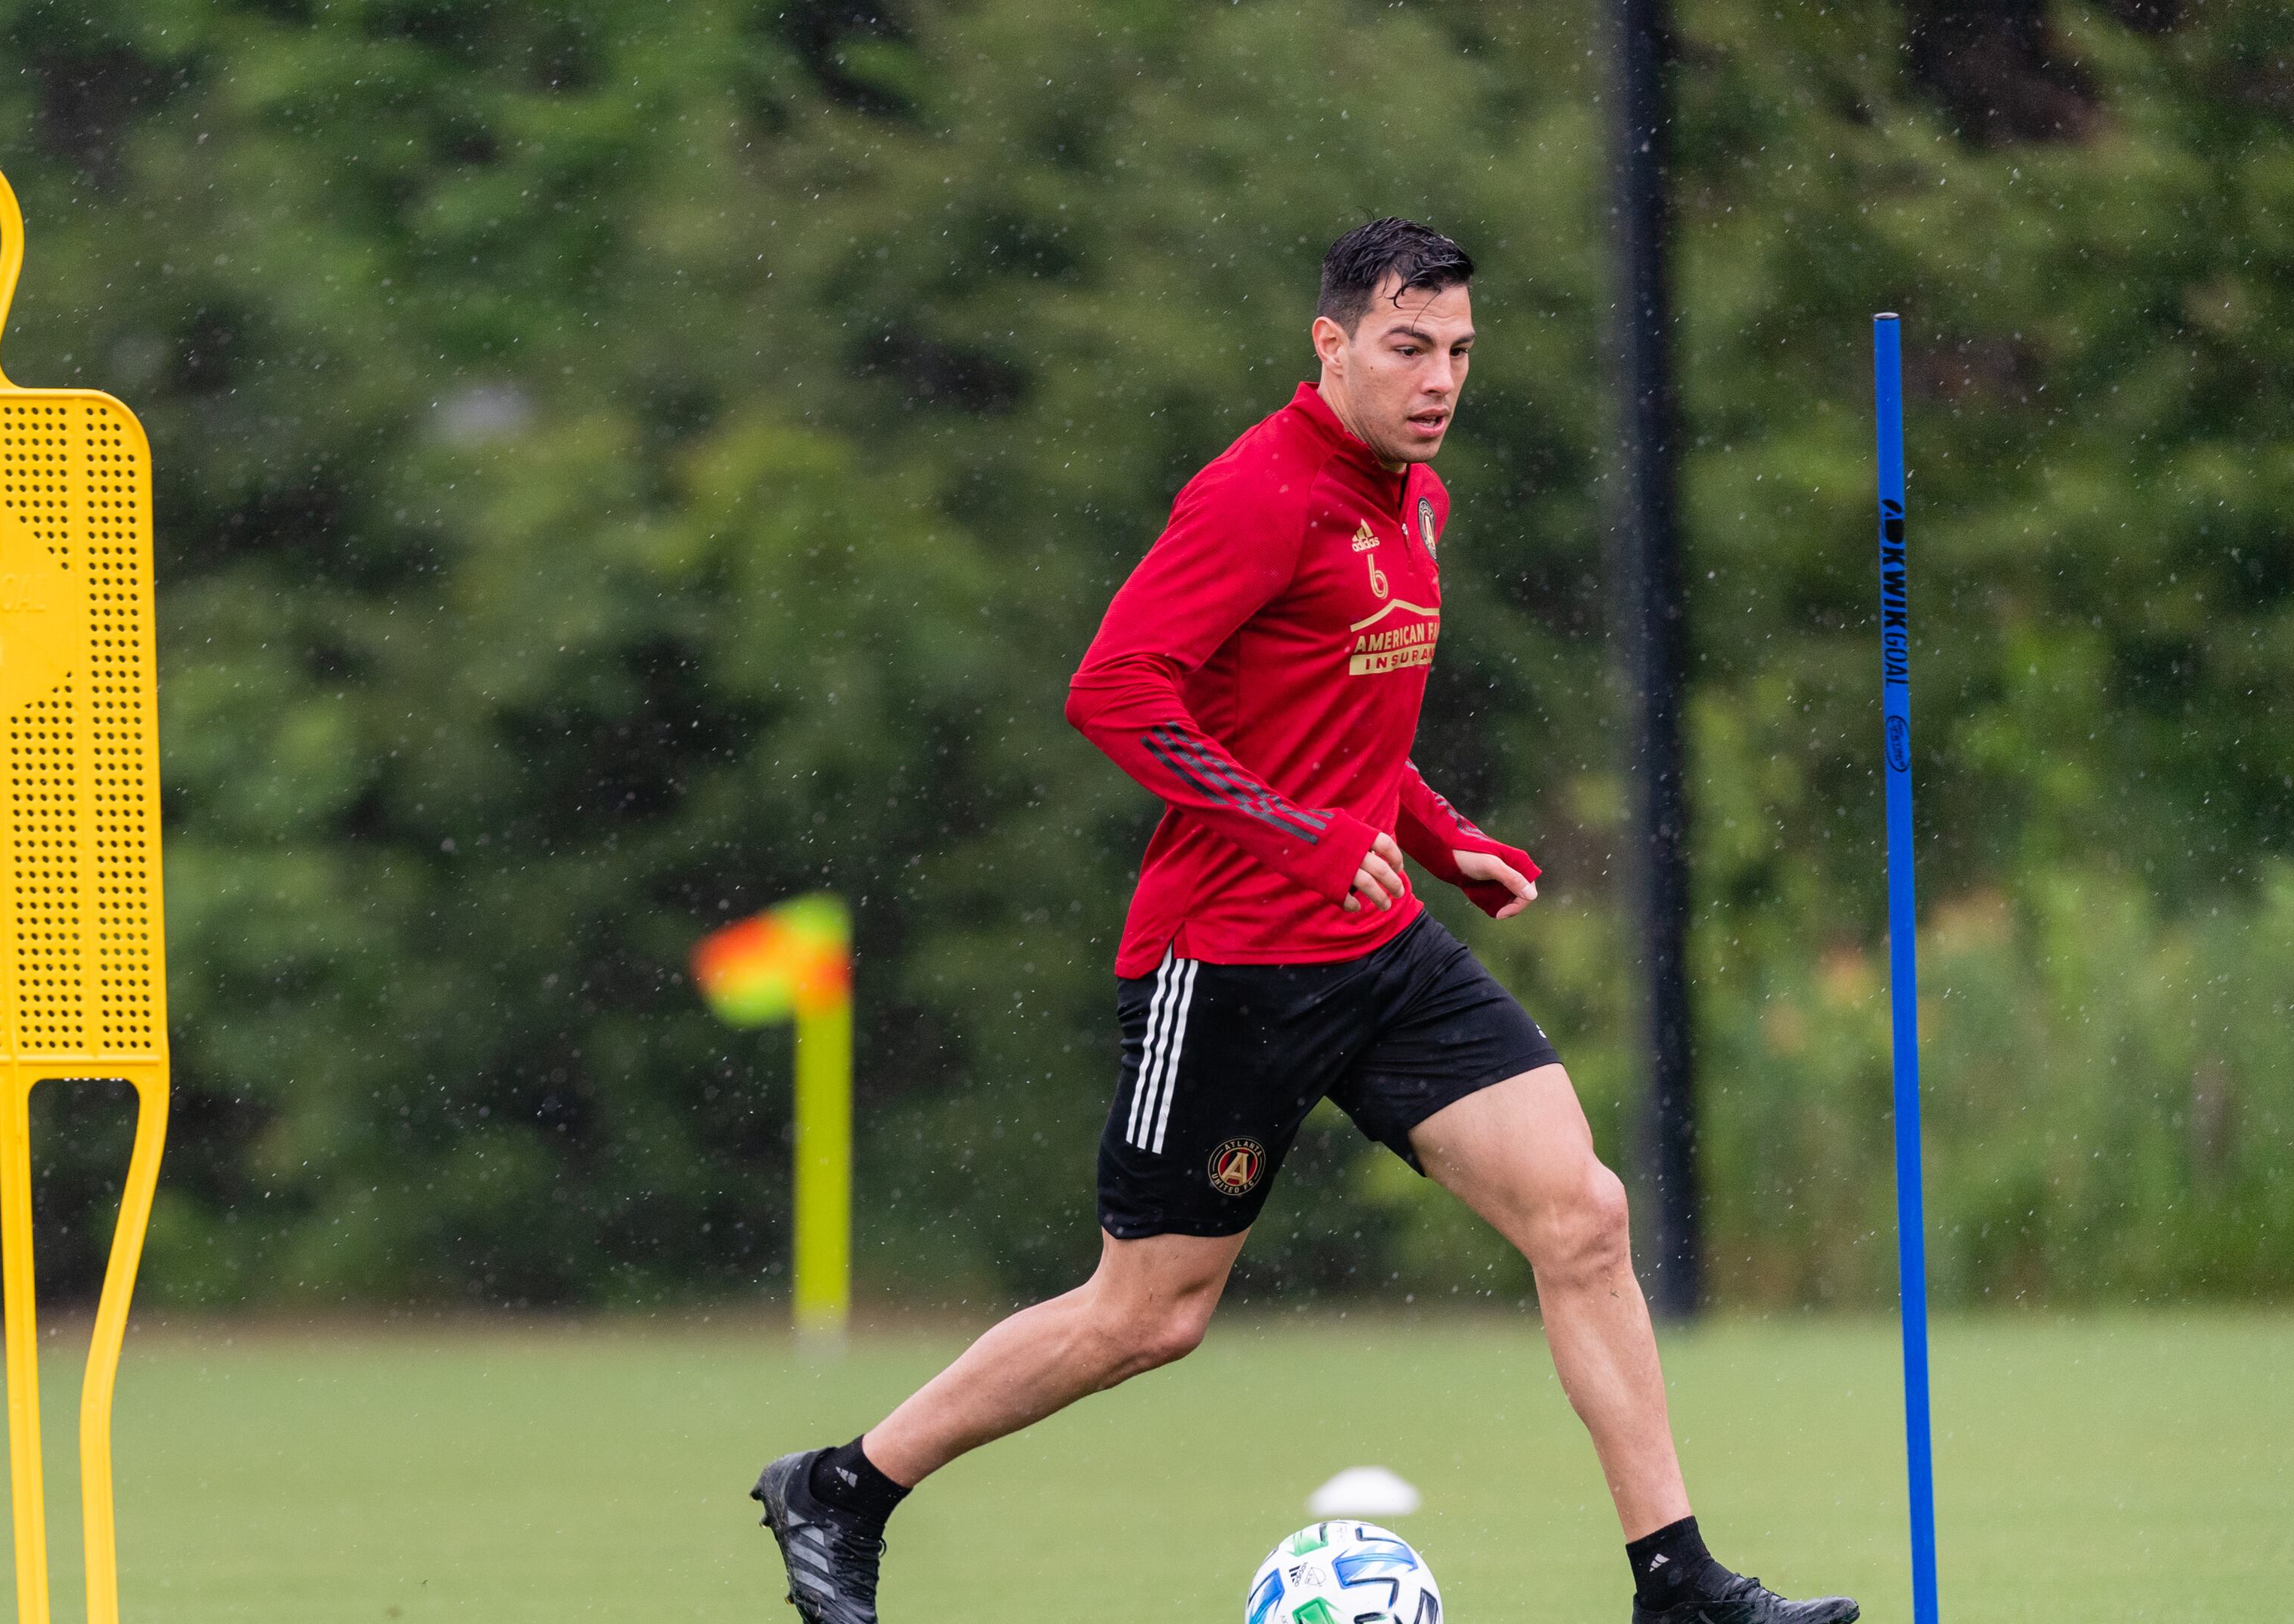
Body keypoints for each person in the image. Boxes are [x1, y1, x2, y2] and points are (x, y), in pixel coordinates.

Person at [751, 219, 1859, 1624]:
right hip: (1227, 963)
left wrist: (1437, 835)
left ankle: (1677, 1583)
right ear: (1329, 345)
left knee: (1582, 1217)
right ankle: (845, 1487)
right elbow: (1119, 691)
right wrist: (1310, 836)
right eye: (1407, 347)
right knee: (1149, 1315)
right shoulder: (1257, 495)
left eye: (1458, 349)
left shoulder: (1418, 500)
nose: (1438, 377)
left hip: (1378, 949)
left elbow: (1327, 724)